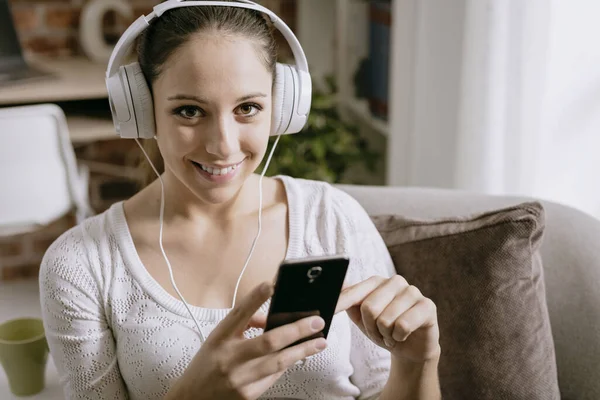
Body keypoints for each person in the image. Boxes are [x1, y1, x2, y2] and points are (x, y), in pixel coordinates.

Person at [39, 1, 441, 399]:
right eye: (189, 111)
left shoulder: (331, 218)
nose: (222, 146)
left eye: (247, 108)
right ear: (141, 110)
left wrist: (418, 362)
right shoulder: (80, 265)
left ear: (282, 109)